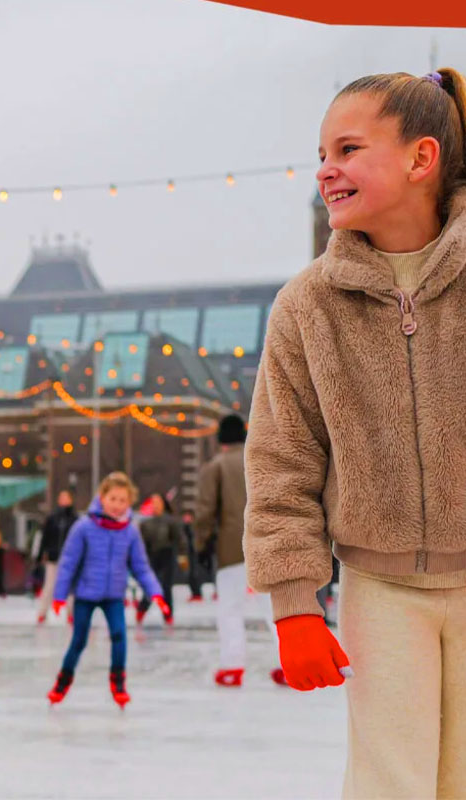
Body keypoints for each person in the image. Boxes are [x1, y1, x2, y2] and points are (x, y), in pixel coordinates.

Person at [245, 67, 466, 798]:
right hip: (380, 589)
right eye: (321, 153)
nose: (325, 169)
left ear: (421, 158)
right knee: (390, 783)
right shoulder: (307, 306)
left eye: (347, 149)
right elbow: (281, 463)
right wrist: (295, 606)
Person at [47, 472, 167, 709]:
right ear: (102, 498)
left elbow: (141, 566)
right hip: (85, 594)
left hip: (113, 595)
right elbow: (68, 562)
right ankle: (62, 683)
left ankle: (118, 684)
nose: (117, 505)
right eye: (113, 499)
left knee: (119, 636)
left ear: (129, 502)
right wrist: (59, 596)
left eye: (122, 500)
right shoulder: (84, 527)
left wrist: (156, 592)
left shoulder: (130, 531)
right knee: (79, 641)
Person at [194, 415, 279, 687]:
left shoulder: (215, 467)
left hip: (230, 548)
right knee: (274, 608)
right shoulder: (262, 462)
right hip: (264, 545)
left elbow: (205, 511)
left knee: (230, 608)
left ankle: (232, 665)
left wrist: (201, 545)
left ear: (221, 439)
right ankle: (287, 663)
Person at [134, 494, 187, 626]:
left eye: (158, 502)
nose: (155, 505)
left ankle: (167, 614)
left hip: (167, 556)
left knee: (166, 587)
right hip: (151, 557)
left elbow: (180, 540)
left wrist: (182, 557)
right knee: (150, 586)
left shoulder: (170, 521)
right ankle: (141, 610)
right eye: (153, 502)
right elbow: (140, 543)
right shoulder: (145, 522)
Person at [35, 491, 79, 625]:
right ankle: (42, 613)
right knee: (49, 585)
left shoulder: (75, 519)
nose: (64, 500)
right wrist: (41, 555)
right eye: (62, 498)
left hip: (70, 559)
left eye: (66, 498)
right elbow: (45, 537)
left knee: (70, 586)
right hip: (53, 558)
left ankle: (71, 614)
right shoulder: (52, 518)